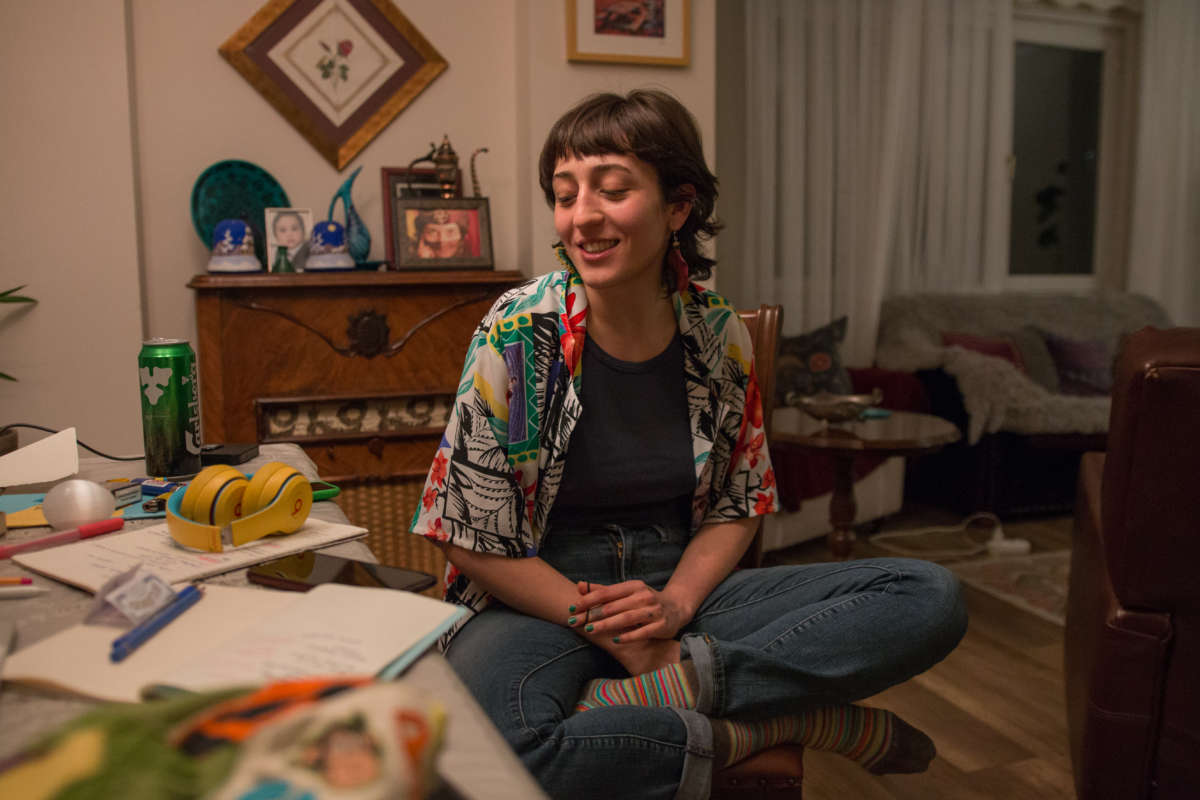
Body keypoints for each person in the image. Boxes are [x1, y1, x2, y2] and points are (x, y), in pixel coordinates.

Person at [409, 89, 967, 800]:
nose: (583, 216)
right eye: (565, 193)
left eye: (612, 190)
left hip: (681, 586)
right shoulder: (519, 333)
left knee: (929, 595)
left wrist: (672, 609)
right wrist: (608, 628)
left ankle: (683, 683)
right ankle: (764, 728)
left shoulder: (719, 335)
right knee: (478, 757)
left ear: (678, 207)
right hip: (541, 593)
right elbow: (466, 532)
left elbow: (739, 501)